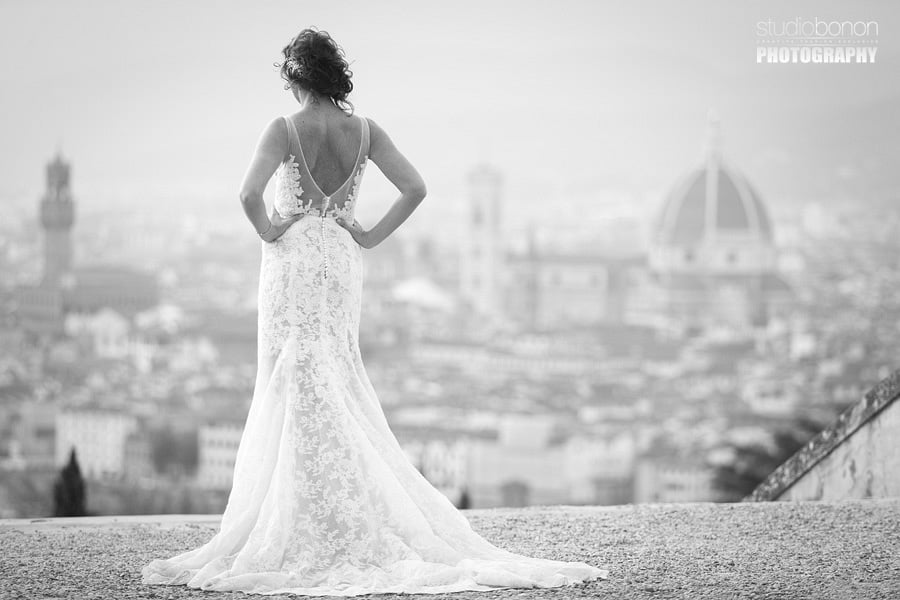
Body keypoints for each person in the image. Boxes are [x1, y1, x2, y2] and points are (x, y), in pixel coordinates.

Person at [141, 27, 608, 596]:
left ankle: (296, 514)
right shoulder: (364, 131)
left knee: (292, 377)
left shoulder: (285, 128)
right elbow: (415, 187)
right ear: (333, 74)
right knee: (336, 371)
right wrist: (367, 236)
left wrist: (270, 230)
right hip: (340, 258)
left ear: (295, 77)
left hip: (293, 261)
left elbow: (247, 195)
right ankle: (344, 507)